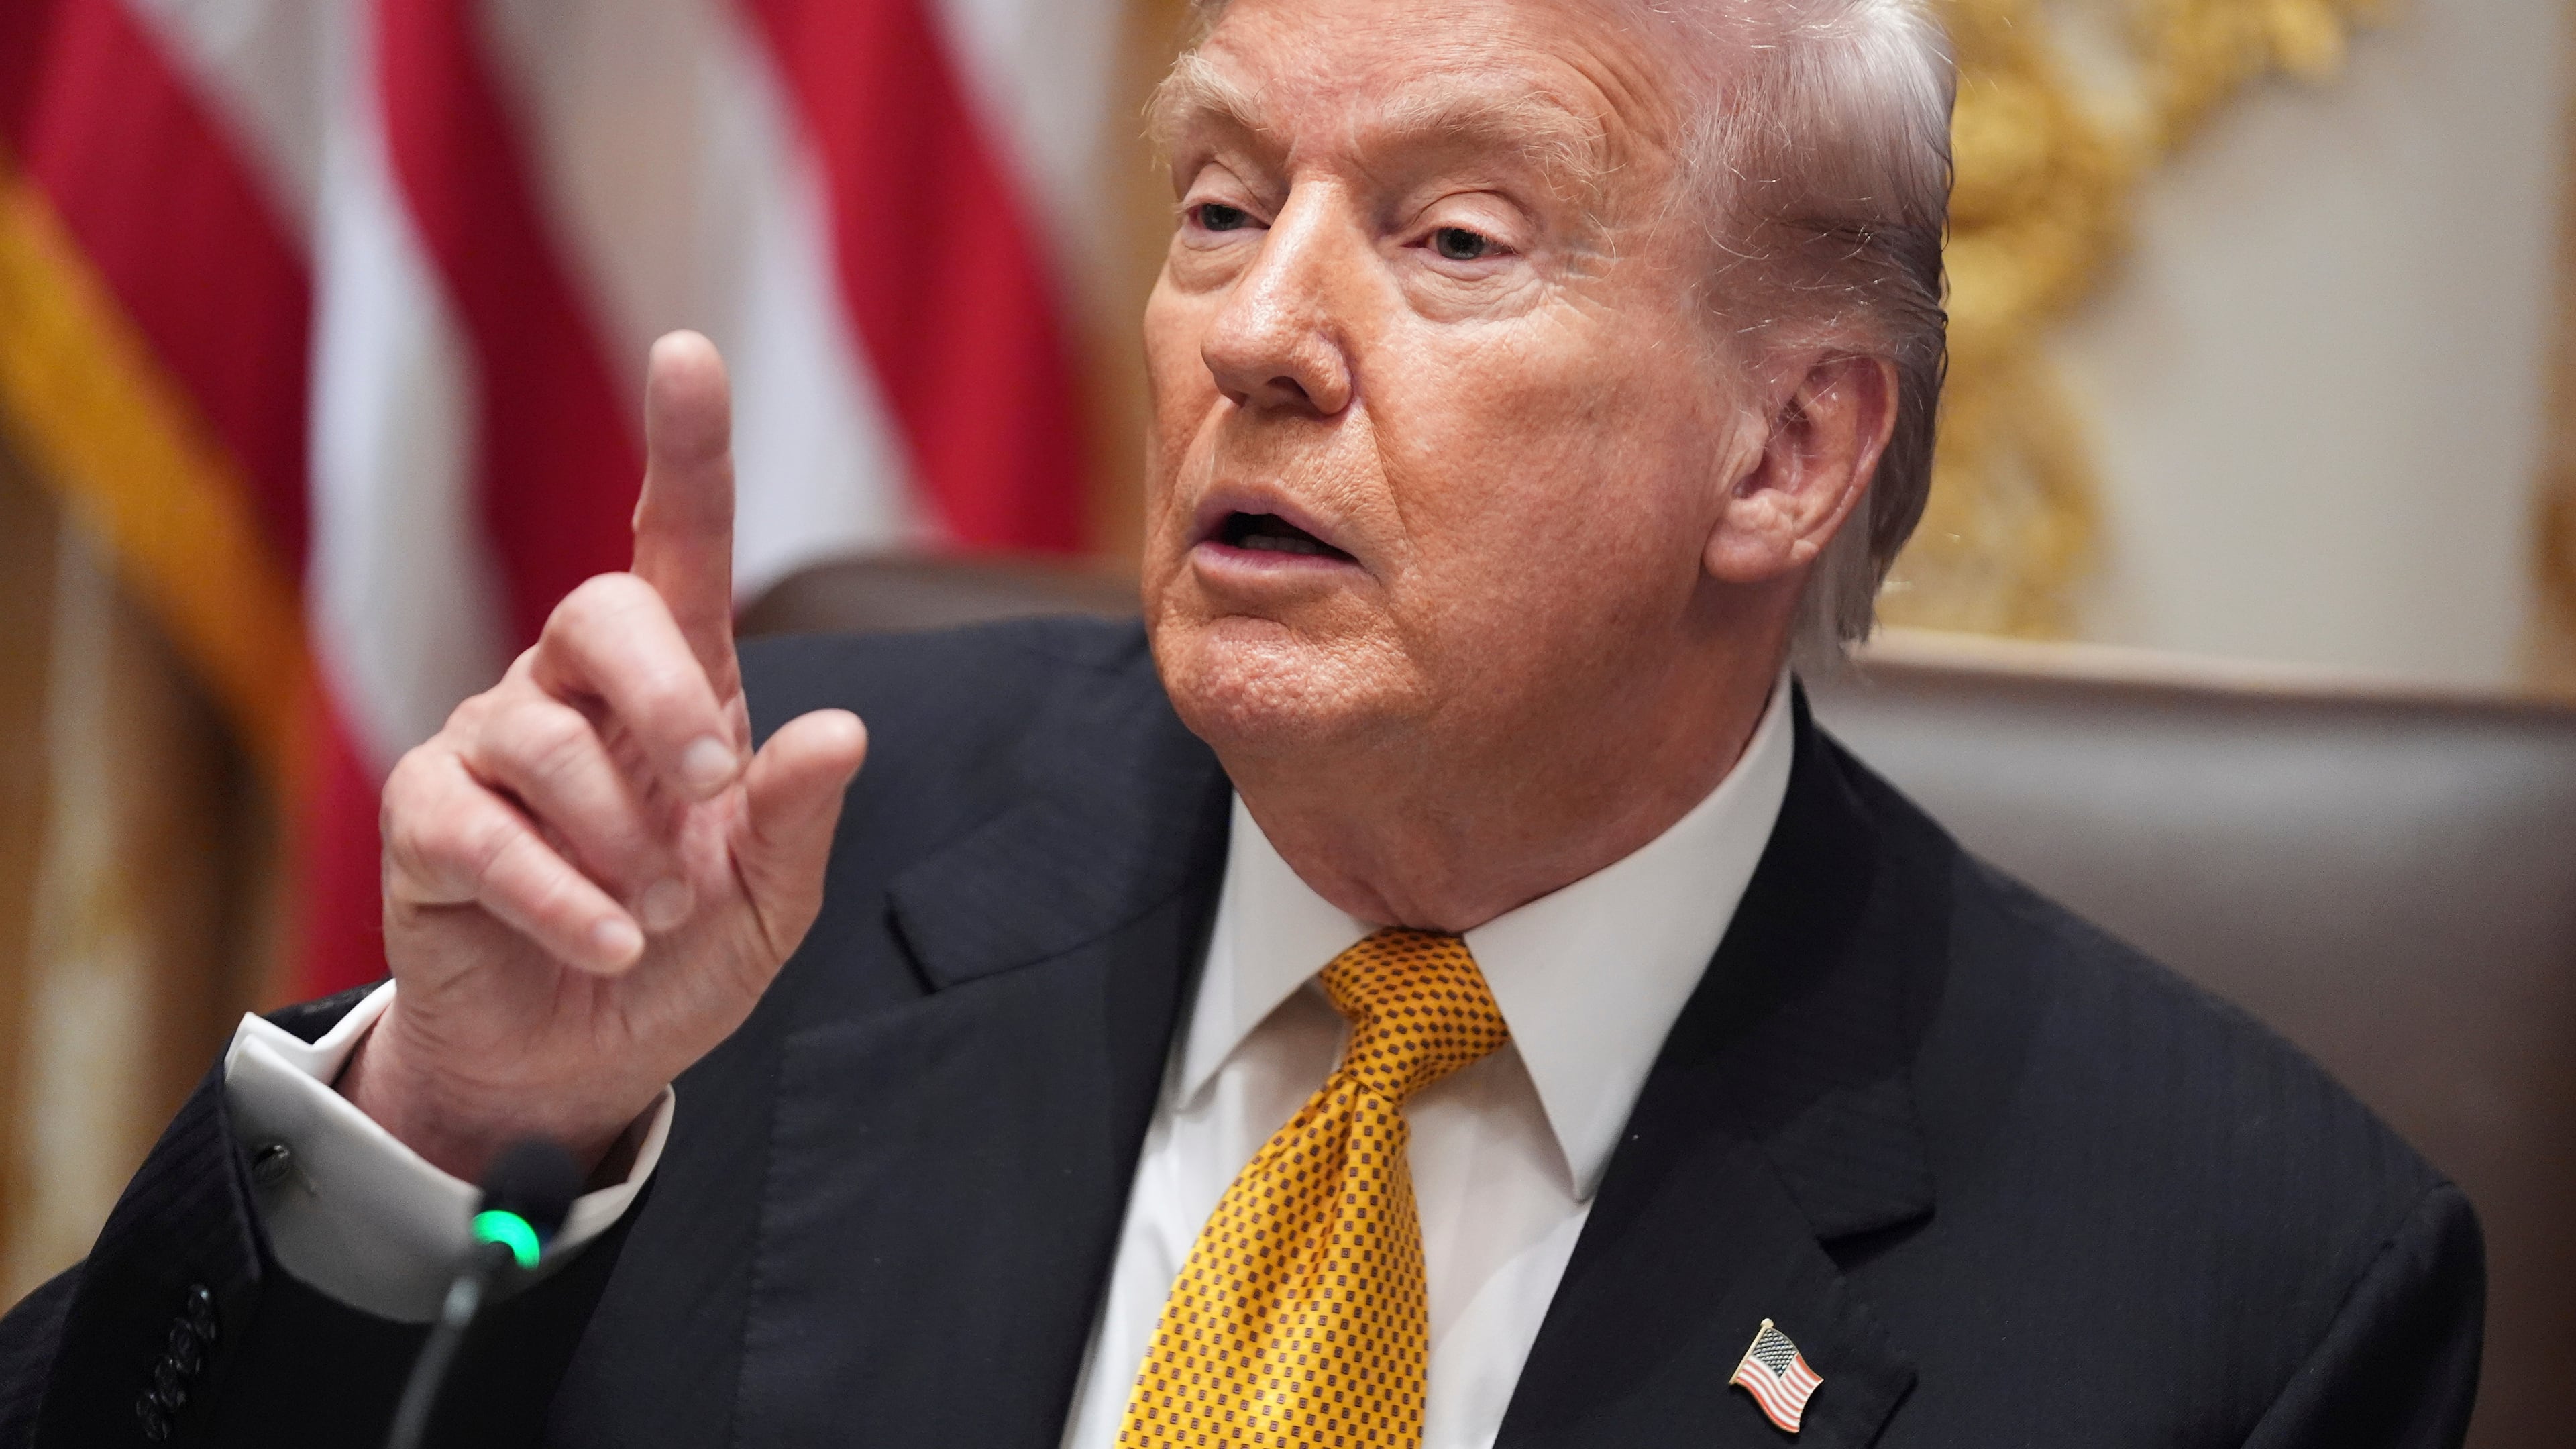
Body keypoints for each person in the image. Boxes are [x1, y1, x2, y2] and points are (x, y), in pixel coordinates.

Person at [0, 0, 2483, 1444]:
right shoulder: (750, 875)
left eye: (1452, 238)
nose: (1256, 335)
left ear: (1788, 448)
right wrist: (455, 1129)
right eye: (1215, 204)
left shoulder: (2246, 1293)